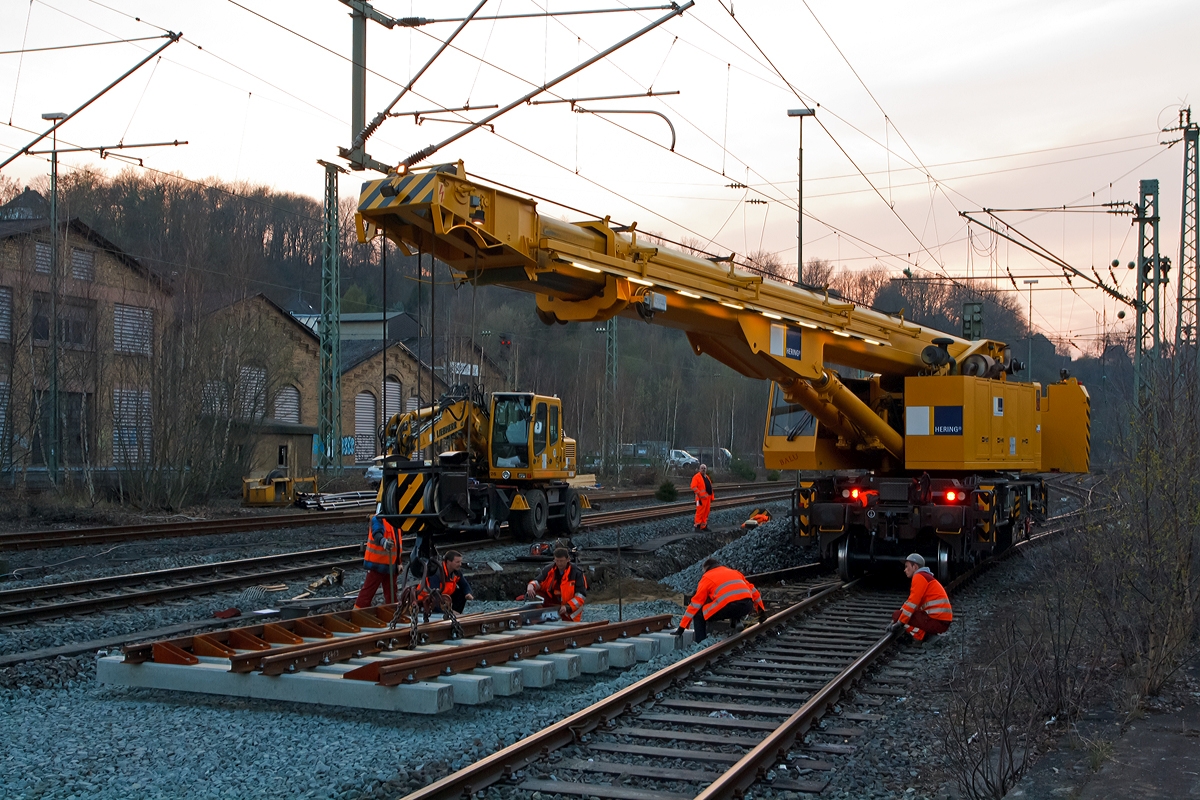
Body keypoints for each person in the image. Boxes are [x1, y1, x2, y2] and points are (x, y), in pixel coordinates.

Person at [674, 558, 766, 642]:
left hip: (728, 607)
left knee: (699, 614)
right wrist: (761, 612)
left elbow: (695, 604)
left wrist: (682, 627)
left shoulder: (707, 577)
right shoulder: (734, 572)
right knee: (732, 598)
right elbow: (754, 592)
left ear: (706, 569)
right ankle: (736, 621)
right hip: (747, 606)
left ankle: (700, 642)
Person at [892, 553, 953, 643]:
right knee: (900, 615)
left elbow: (912, 602)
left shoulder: (919, 577)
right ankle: (926, 634)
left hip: (937, 622)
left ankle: (920, 636)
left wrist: (898, 622)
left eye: (906, 566)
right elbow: (911, 603)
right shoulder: (925, 577)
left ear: (915, 567)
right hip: (941, 621)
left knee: (898, 615)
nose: (905, 570)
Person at [525, 548, 588, 621]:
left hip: (571, 613)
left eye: (561, 561)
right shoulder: (549, 570)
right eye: (557, 561)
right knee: (535, 592)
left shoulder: (577, 573)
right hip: (554, 606)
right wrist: (531, 586)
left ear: (568, 560)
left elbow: (581, 596)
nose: (559, 563)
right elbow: (539, 582)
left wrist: (567, 607)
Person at [353, 514, 400, 609]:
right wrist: (384, 542)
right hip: (377, 564)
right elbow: (377, 533)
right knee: (368, 591)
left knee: (391, 593)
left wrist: (399, 562)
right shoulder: (378, 519)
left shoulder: (396, 521)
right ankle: (357, 612)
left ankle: (393, 613)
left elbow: (398, 545)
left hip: (391, 565)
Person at [418, 550, 475, 617]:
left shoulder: (456, 572)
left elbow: (464, 585)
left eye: (460, 562)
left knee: (461, 593)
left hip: (443, 596)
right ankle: (449, 614)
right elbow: (435, 597)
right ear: (448, 562)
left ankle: (456, 614)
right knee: (436, 601)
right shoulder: (437, 573)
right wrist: (449, 611)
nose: (460, 564)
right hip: (427, 600)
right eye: (457, 562)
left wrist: (468, 593)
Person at [690, 464, 714, 531]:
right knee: (700, 512)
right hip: (700, 499)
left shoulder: (707, 477)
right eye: (702, 468)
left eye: (704, 468)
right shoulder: (696, 477)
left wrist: (712, 497)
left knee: (706, 513)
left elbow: (710, 488)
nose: (703, 469)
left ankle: (703, 526)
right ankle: (697, 526)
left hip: (707, 498)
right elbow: (693, 486)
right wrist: (699, 494)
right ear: (699, 469)